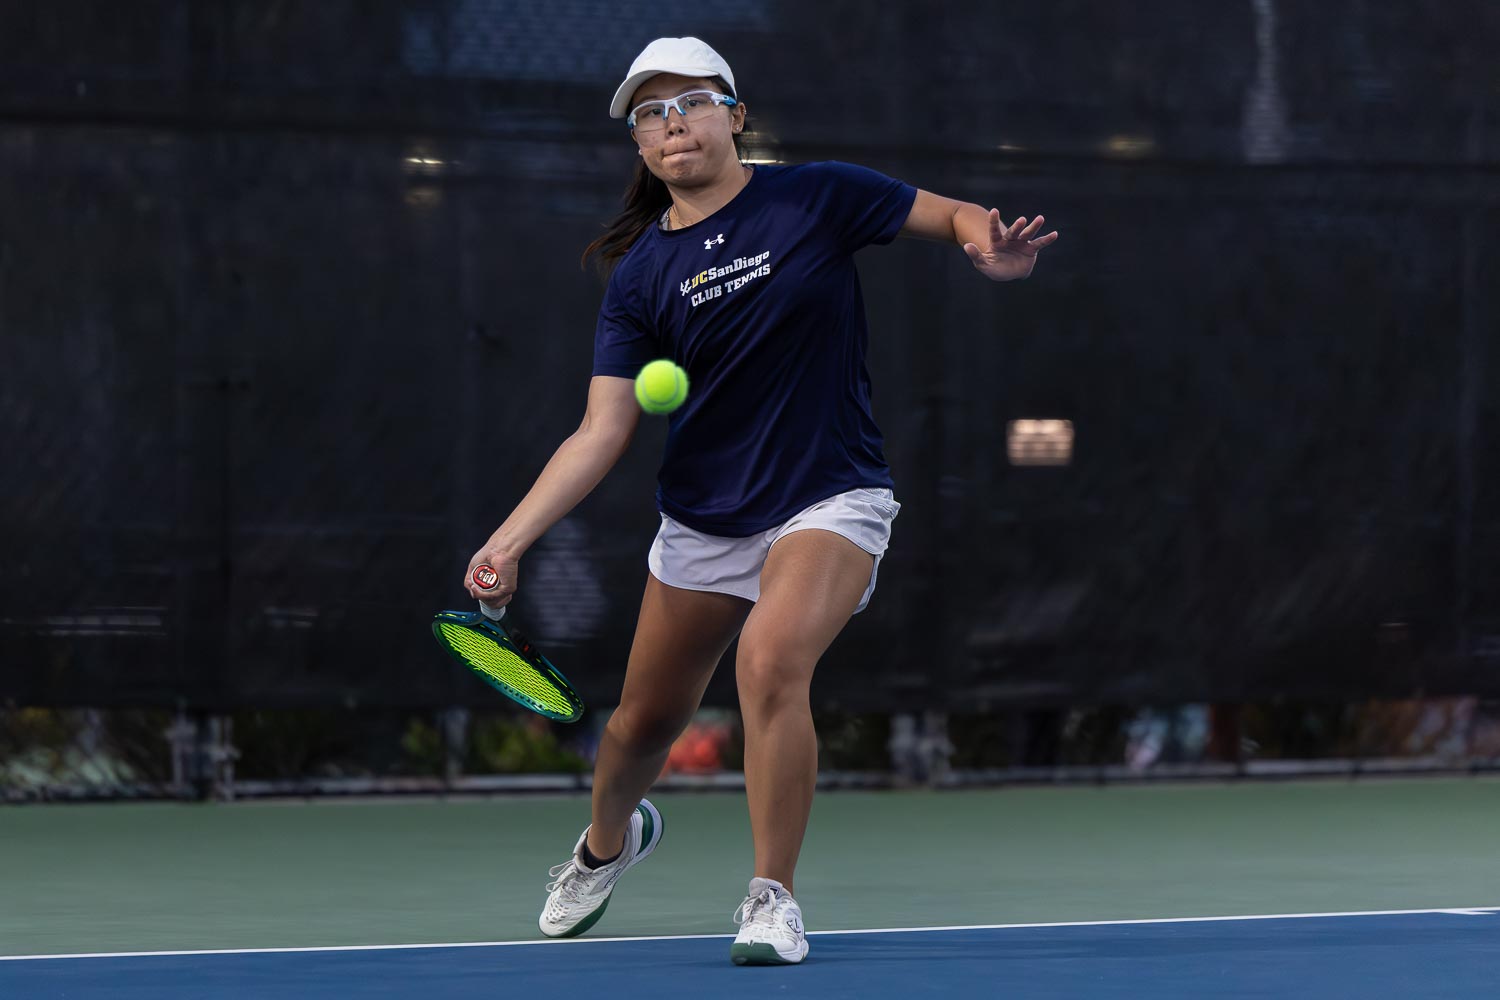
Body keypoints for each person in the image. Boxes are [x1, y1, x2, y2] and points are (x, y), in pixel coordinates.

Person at [464, 36, 1059, 966]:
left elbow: (948, 216)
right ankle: (606, 846)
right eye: (650, 114)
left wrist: (988, 242)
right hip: (705, 518)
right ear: (639, 144)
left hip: (832, 496)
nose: (672, 125)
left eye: (691, 103)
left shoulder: (815, 196)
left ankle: (771, 897)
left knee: (771, 662)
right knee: (639, 726)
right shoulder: (638, 279)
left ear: (736, 116)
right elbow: (600, 431)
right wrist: (508, 541)